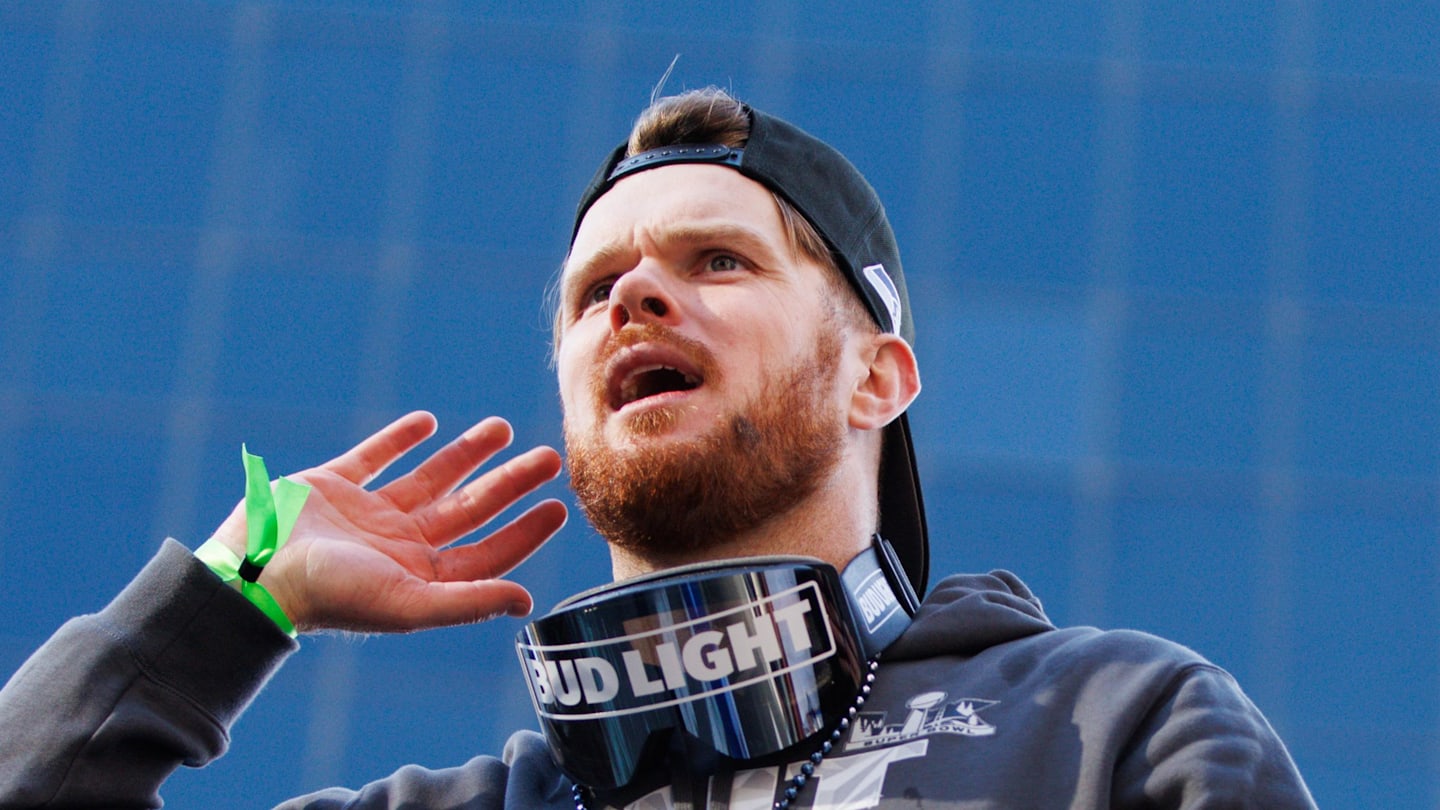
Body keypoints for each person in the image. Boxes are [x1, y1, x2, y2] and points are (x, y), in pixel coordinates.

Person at [0, 88, 1314, 809]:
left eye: (718, 261)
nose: (633, 297)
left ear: (878, 376)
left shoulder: (1111, 724)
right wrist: (230, 593)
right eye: (594, 289)